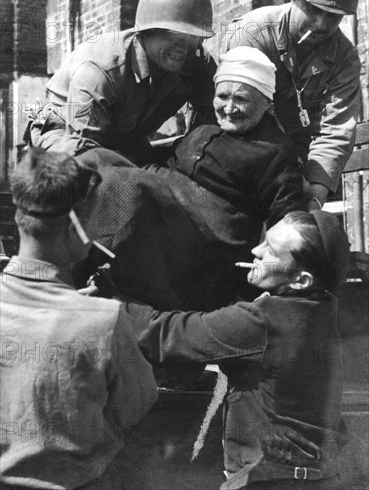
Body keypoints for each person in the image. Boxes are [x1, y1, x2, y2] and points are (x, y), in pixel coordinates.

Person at [123, 209, 351, 490]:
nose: (255, 250)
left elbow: (171, 334)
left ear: (300, 281)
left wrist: (111, 308)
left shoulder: (264, 321)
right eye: (263, 240)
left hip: (271, 480)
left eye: (270, 251)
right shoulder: (323, 307)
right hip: (318, 477)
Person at [77, 46, 305, 311]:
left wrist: (267, 285)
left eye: (241, 100)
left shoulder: (277, 153)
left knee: (125, 188)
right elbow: (172, 154)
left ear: (267, 103)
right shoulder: (208, 124)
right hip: (164, 197)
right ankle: (67, 271)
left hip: (206, 234)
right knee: (93, 159)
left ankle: (82, 276)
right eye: (222, 96)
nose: (229, 109)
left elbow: (287, 220)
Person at [0, 148, 157, 490]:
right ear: (77, 228)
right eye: (95, 218)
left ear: (19, 217)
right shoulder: (104, 320)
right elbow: (136, 404)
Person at [26, 0, 217, 164]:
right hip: (66, 134)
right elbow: (86, 151)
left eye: (193, 37)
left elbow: (213, 117)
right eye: (172, 35)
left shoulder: (196, 60)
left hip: (125, 136)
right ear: (147, 32)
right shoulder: (100, 71)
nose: (182, 47)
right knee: (87, 176)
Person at [226, 0, 362, 211]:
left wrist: (314, 196)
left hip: (296, 168)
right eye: (313, 9)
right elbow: (239, 114)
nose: (321, 24)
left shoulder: (345, 58)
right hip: (242, 154)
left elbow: (335, 131)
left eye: (333, 16)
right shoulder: (253, 34)